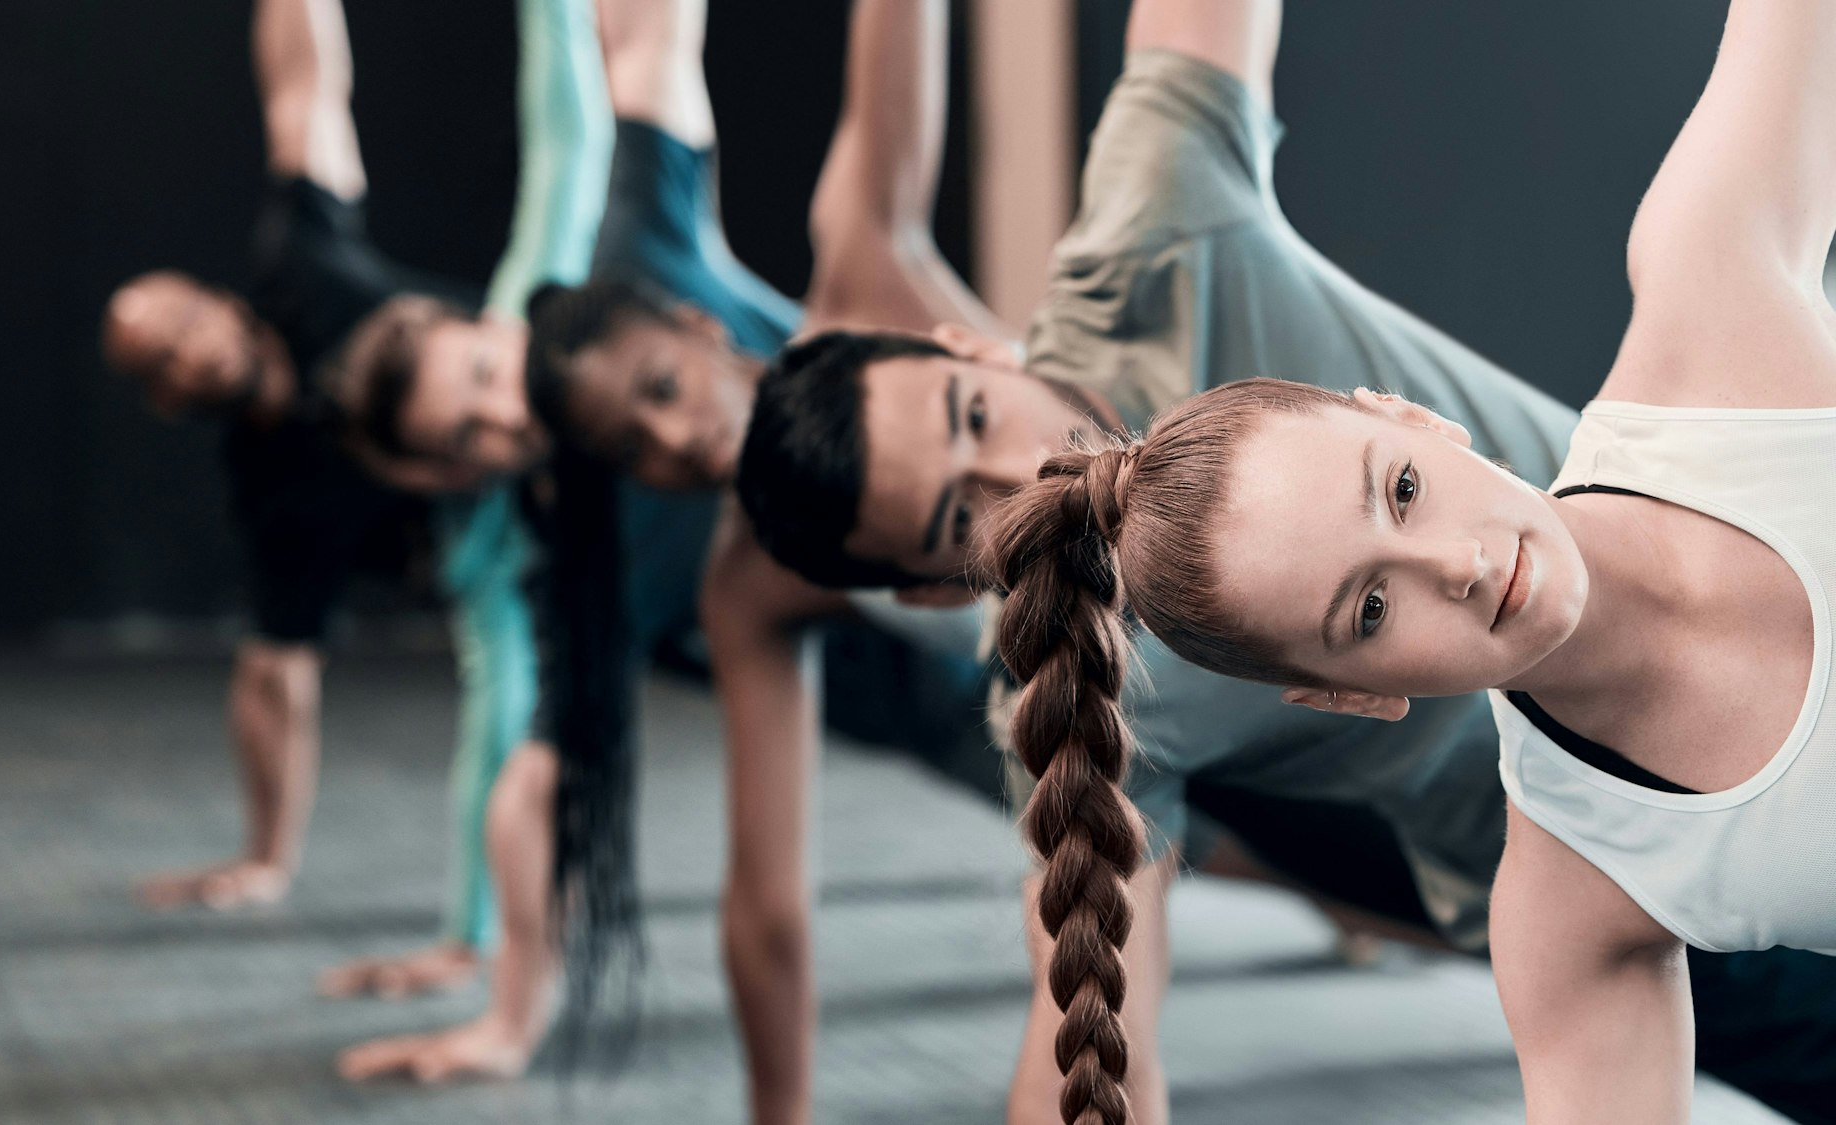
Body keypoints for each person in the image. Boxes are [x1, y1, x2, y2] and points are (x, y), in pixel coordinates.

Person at [735, 2, 1836, 1124]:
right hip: (1625, 862)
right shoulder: (1568, 915)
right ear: (1348, 693)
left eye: (1397, 490)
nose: (1020, 461)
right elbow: (1088, 1021)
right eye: (1363, 610)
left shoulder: (1712, 296)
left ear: (1407, 419)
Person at [329, 0, 1008, 1091]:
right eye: (469, 441)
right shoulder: (586, 553)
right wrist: (509, 1013)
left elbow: (646, 41)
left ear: (481, 325)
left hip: (1008, 490)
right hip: (961, 708)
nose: (507, 420)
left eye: (485, 381)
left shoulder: (630, 258)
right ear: (451, 477)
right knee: (1243, 838)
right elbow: (537, 784)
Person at [106, 0, 614, 1027]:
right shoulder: (280, 496)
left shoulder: (311, 257)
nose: (192, 352)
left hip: (559, 379)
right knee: (517, 718)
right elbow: (273, 683)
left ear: (222, 302)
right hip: (511, 539)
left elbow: (307, 87)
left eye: (188, 326)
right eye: (167, 362)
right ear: (167, 397)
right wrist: (268, 856)